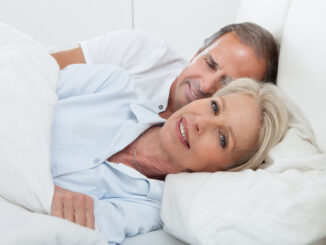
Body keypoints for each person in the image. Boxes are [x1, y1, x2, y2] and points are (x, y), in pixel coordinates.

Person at [50, 64, 288, 244]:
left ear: (225, 170)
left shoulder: (148, 211)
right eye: (215, 107)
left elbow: (63, 230)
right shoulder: (114, 85)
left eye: (222, 138)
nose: (201, 122)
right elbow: (23, 84)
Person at [51, 22, 279, 119]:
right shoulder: (139, 50)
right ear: (196, 52)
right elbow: (46, 67)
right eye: (209, 64)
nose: (208, 85)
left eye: (228, 85)